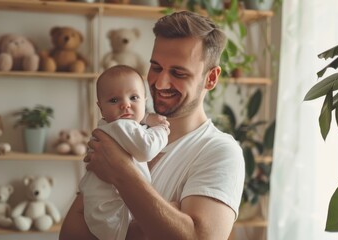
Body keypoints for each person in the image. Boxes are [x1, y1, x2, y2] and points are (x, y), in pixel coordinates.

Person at [60, 10, 245, 240]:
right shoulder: (124, 129)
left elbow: (199, 237)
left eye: (178, 72)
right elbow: (71, 233)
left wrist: (121, 172)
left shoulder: (220, 151)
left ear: (211, 78)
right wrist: (153, 225)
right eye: (156, 67)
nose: (159, 82)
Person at [79, 64, 170, 240]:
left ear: (145, 100)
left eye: (134, 97)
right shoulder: (121, 126)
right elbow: (146, 149)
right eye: (114, 100)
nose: (125, 105)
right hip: (113, 214)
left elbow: (136, 125)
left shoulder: (111, 126)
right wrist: (160, 130)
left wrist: (147, 118)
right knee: (166, 214)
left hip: (103, 212)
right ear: (101, 108)